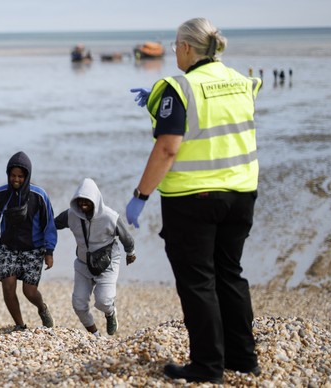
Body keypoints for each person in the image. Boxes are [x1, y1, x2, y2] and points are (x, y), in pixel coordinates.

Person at [128, 18, 262, 384]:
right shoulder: (241, 80)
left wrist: (140, 195)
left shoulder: (180, 86)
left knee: (199, 282)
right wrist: (158, 103)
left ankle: (207, 365)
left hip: (194, 200)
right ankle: (243, 359)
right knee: (230, 274)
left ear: (187, 48)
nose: (173, 51)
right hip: (241, 194)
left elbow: (168, 147)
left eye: (175, 45)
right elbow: (221, 115)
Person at [54, 178, 136, 337]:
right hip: (83, 263)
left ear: (96, 200)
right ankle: (96, 335)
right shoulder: (71, 215)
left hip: (107, 262)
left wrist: (130, 252)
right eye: (80, 200)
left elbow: (127, 237)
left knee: (103, 301)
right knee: (78, 304)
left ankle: (110, 312)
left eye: (87, 200)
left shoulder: (110, 217)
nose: (83, 203)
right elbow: (51, 225)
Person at [0, 151, 57, 331]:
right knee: (8, 286)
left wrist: (49, 252)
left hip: (34, 249)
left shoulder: (39, 195)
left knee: (29, 291)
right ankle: (20, 325)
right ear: (8, 174)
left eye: (20, 176)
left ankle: (42, 309)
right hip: (8, 248)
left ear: (27, 176)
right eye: (13, 175)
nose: (16, 180)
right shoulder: (0, 195)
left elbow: (49, 224)